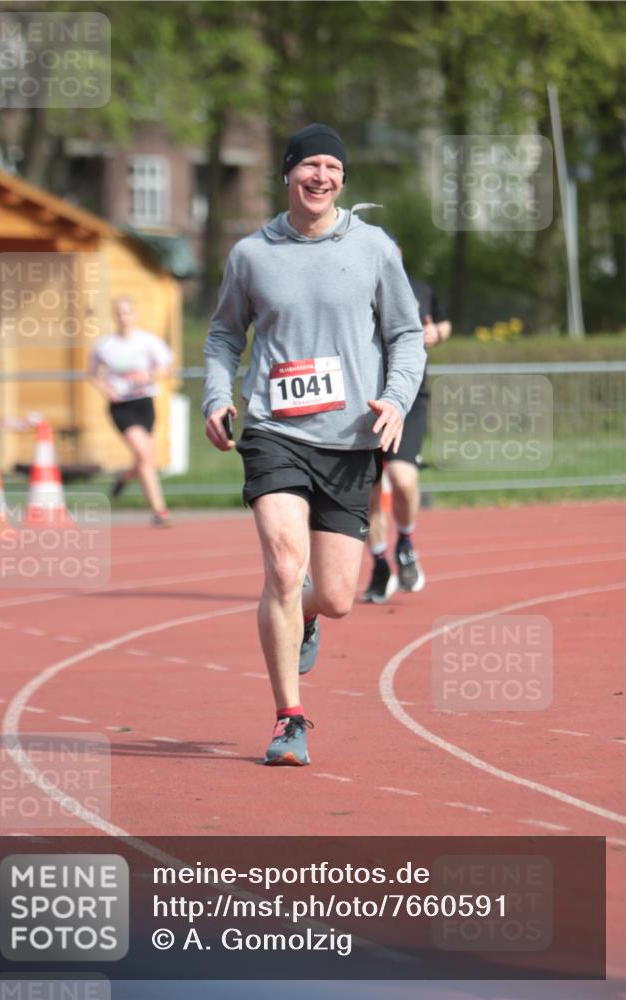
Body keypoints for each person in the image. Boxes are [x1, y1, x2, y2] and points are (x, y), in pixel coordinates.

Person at [203, 123, 425, 766]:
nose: (320, 176)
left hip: (350, 439)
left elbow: (407, 335)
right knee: (280, 565)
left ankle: (304, 616)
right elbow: (223, 336)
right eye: (309, 165)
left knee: (334, 598)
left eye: (332, 166)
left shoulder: (375, 248)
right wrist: (218, 397)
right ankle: (289, 719)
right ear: (287, 175)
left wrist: (397, 399)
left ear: (343, 180)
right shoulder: (251, 254)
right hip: (274, 429)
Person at [363, 246, 452, 603]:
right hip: (364, 401)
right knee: (367, 491)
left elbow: (443, 323)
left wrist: (437, 335)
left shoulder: (420, 289)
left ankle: (407, 541)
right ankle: (380, 562)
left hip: (408, 399)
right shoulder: (358, 289)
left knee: (402, 477)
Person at [89, 295, 173, 527]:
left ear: (134, 315)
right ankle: (160, 511)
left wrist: (150, 376)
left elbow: (165, 366)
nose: (123, 317)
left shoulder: (148, 342)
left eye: (127, 312)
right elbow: (93, 374)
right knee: (145, 456)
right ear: (114, 316)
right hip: (121, 407)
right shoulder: (105, 345)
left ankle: (124, 476)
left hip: (144, 402)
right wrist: (106, 389)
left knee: (145, 458)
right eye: (119, 313)